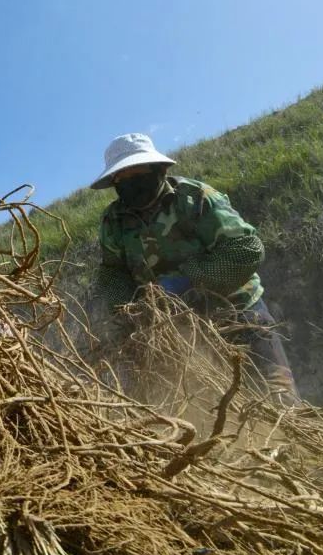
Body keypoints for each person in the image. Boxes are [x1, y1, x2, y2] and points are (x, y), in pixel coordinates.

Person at [91, 133, 301, 405]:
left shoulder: (195, 198)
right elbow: (112, 272)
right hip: (173, 331)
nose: (130, 182)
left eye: (138, 172)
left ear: (159, 169)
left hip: (237, 313)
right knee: (197, 406)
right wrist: (133, 310)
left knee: (277, 399)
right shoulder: (113, 221)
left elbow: (246, 249)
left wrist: (190, 281)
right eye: (122, 178)